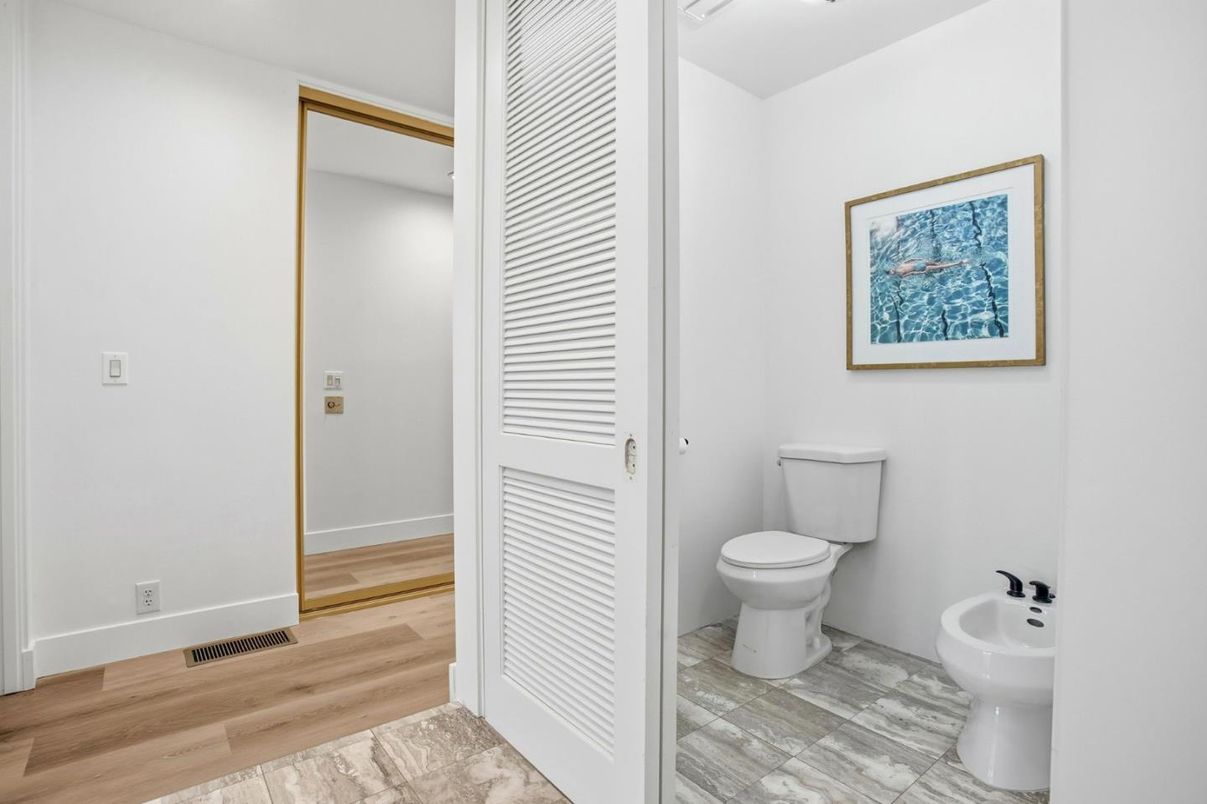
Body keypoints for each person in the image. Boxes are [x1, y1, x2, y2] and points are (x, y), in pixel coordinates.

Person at [886, 258, 968, 277]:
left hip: (920, 263)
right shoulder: (902, 275)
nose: (893, 272)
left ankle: (957, 263)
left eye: (891, 271)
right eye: (891, 273)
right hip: (920, 267)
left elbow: (910, 260)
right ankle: (957, 263)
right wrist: (923, 272)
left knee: (939, 264)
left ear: (892, 269)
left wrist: (919, 259)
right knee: (940, 266)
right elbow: (912, 273)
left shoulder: (901, 266)